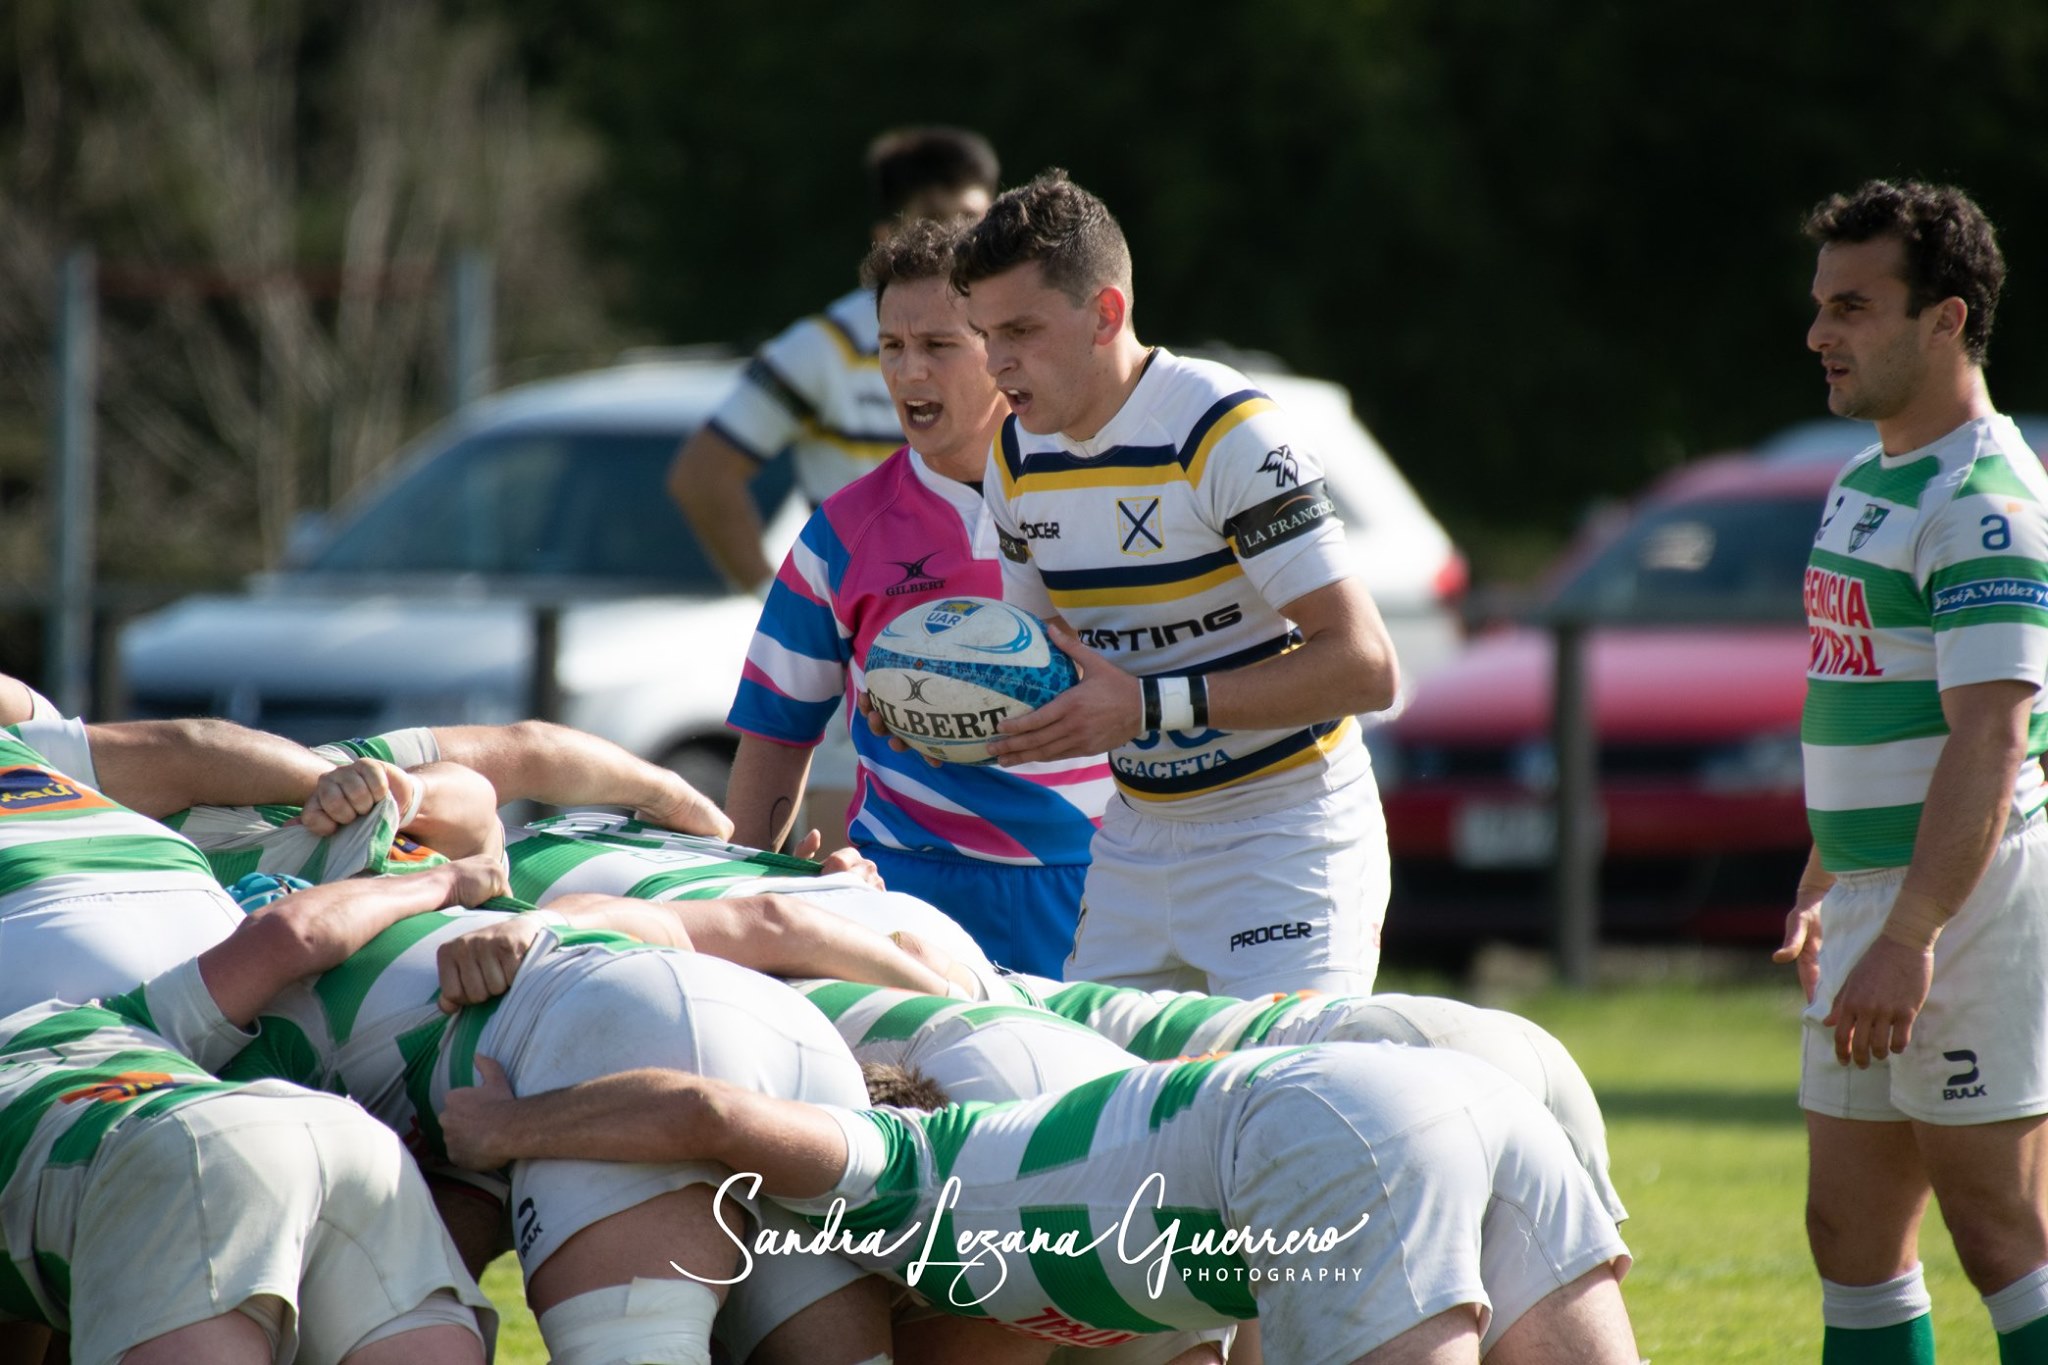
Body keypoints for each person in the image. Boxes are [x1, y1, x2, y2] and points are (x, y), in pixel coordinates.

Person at [441, 1041, 1640, 1365]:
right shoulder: (1019, 1171)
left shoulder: (903, 1173)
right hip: (1455, 1097)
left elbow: (705, 1115)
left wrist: (507, 1131)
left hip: (1332, 1120)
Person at [953, 170, 1400, 996]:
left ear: (1106, 314)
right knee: (1096, 1115)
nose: (996, 363)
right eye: (984, 334)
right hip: (1135, 838)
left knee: (1273, 1099)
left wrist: (1153, 706)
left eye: (1020, 329)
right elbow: (1041, 663)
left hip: (1287, 832)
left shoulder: (1220, 427)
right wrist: (943, 707)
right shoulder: (1015, 453)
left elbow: (1366, 666)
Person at [1773, 180, 2048, 1364]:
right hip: (1880, 903)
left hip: (1968, 905)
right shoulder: (1864, 482)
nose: (1818, 335)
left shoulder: (1984, 505)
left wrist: (1914, 930)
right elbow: (1860, 710)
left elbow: (1988, 739)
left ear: (1944, 320)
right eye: (1819, 307)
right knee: (1847, 1230)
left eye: (1853, 308)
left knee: (2000, 1232)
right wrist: (1821, 881)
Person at [0, 786, 507, 1365]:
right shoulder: (105, 1018)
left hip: (189, 1156)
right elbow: (286, 936)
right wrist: (444, 881)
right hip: (344, 1137)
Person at [727, 218, 1110, 976]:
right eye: (892, 348)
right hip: (907, 892)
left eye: (938, 346)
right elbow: (774, 740)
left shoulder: (1103, 501)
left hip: (1099, 886)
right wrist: (736, 900)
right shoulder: (840, 535)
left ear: (1002, 353)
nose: (908, 375)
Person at [673, 127, 1001, 848]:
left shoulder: (1019, 347)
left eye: (975, 220)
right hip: (873, 677)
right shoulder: (823, 345)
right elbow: (702, 473)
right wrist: (789, 602)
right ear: (890, 235)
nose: (960, 238)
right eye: (938, 220)